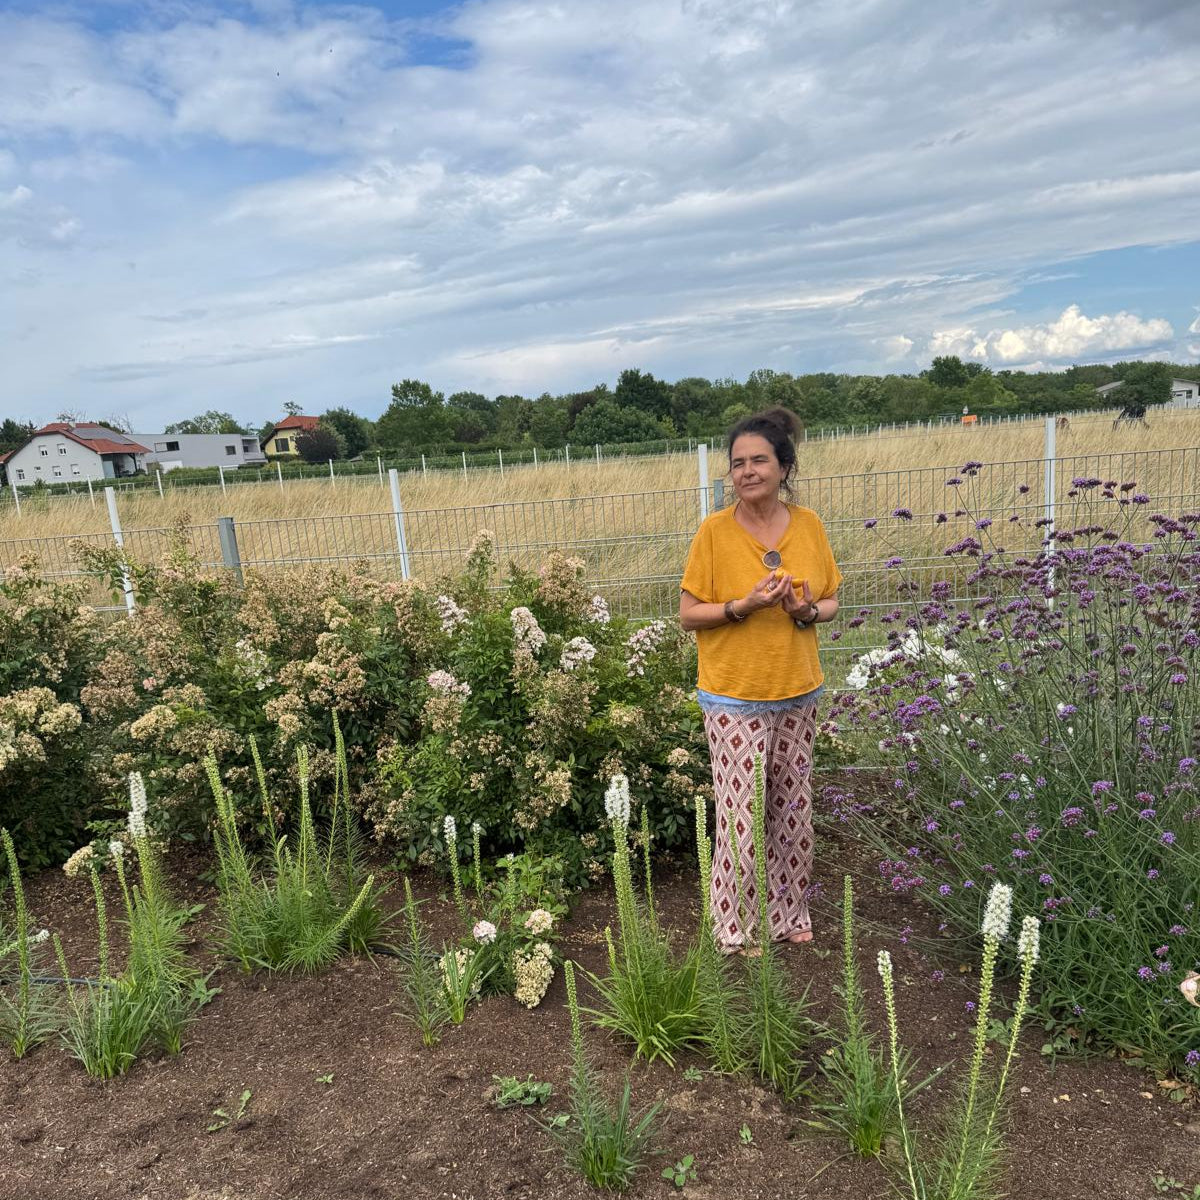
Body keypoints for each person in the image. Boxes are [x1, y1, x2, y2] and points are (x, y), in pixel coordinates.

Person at [679, 408, 842, 953]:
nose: (747, 471)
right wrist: (741, 605)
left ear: (783, 466)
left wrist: (804, 610)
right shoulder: (714, 533)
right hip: (733, 694)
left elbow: (833, 602)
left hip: (797, 688)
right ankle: (734, 925)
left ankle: (788, 914)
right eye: (738, 463)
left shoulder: (812, 525)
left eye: (759, 461)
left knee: (793, 812)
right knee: (741, 818)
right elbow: (688, 614)